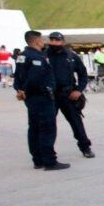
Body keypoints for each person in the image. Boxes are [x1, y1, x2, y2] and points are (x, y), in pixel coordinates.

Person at [14, 31, 69, 171]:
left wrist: (20, 90)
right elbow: (35, 78)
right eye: (41, 39)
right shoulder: (36, 57)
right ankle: (49, 161)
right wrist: (26, 90)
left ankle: (37, 159)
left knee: (34, 128)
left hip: (31, 99)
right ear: (35, 41)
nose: (44, 41)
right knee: (47, 129)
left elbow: (18, 76)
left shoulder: (22, 56)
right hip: (41, 97)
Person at [47, 31, 94, 159]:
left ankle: (85, 147)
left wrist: (79, 90)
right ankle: (48, 151)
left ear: (63, 42)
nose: (54, 43)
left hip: (68, 94)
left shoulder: (71, 56)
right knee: (48, 124)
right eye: (52, 40)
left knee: (76, 123)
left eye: (57, 40)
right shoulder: (44, 56)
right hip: (50, 96)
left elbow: (83, 75)